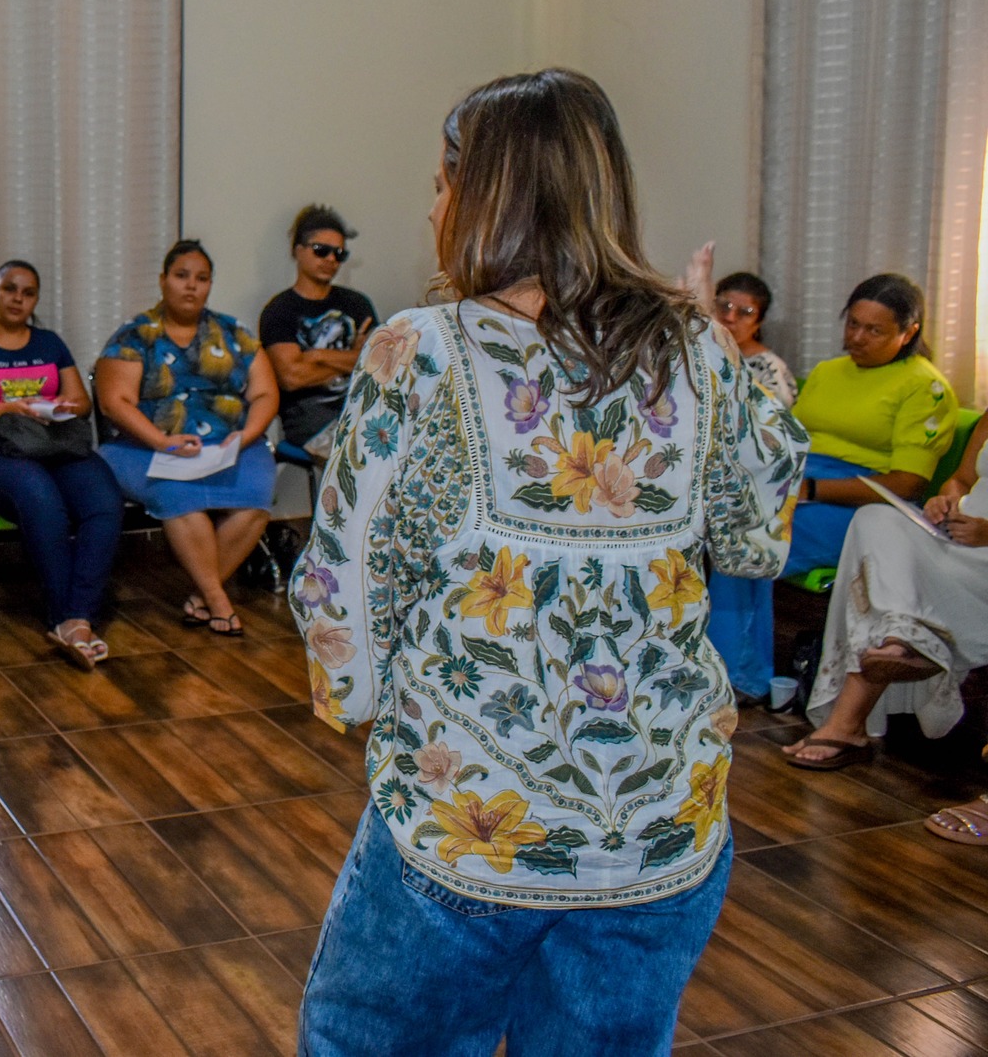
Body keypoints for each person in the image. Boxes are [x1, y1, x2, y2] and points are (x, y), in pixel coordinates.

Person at [291, 69, 803, 1056]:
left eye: (443, 182)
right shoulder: (692, 351)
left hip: (471, 820)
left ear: (483, 195)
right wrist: (731, 359)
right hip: (661, 824)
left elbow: (343, 574)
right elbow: (754, 538)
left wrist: (358, 701)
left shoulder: (421, 349)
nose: (432, 205)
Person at [705, 273, 956, 700]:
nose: (857, 337)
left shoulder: (925, 387)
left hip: (864, 505)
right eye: (852, 324)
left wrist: (813, 490)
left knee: (749, 542)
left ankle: (738, 679)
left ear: (908, 332)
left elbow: (907, 482)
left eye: (874, 330)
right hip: (800, 484)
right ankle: (721, 667)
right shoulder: (828, 372)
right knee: (722, 528)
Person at [0, 260, 122, 667]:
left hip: (55, 444)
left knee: (105, 502)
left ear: (35, 299)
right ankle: (63, 617)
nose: (18, 299)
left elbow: (83, 403)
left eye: (27, 292)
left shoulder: (50, 343)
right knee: (42, 500)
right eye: (9, 289)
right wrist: (6, 408)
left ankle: (79, 616)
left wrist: (64, 405)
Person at [95, 240, 280, 636]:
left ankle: (201, 596)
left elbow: (265, 392)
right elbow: (114, 402)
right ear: (163, 280)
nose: (191, 286)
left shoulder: (234, 333)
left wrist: (247, 435)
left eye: (202, 279)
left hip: (229, 443)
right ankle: (216, 600)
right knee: (181, 498)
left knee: (257, 495)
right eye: (181, 276)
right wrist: (162, 443)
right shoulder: (135, 335)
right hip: (143, 446)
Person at [785, 413, 988, 771]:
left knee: (891, 585)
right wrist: (946, 502)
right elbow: (961, 479)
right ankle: (901, 640)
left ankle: (849, 722)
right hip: (960, 540)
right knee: (874, 519)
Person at [259, 203, 378, 452]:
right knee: (363, 458)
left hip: (364, 412)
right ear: (297, 250)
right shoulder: (280, 310)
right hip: (309, 421)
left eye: (339, 254)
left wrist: (317, 356)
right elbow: (291, 378)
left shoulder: (357, 304)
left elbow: (378, 365)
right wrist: (353, 361)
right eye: (321, 250)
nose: (331, 260)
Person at [712, 271, 797, 406]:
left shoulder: (768, 368)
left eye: (746, 312)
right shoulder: (704, 353)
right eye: (724, 306)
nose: (730, 317)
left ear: (758, 323)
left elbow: (775, 418)